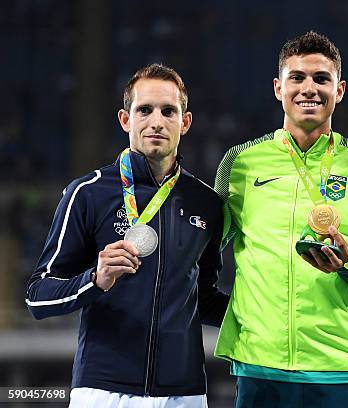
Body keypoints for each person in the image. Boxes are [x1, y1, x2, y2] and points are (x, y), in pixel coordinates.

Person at [213, 31, 348, 407]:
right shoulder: (240, 163)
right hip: (257, 363)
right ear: (278, 88)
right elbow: (204, 247)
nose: (308, 88)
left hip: (339, 364)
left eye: (321, 78)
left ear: (340, 89)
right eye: (297, 77)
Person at [26, 64, 228, 408]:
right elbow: (37, 297)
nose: (156, 121)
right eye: (144, 110)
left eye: (169, 111)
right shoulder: (88, 194)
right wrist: (95, 280)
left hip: (185, 393)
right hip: (103, 391)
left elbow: (203, 299)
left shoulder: (206, 203)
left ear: (185, 122)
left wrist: (265, 312)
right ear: (125, 119)